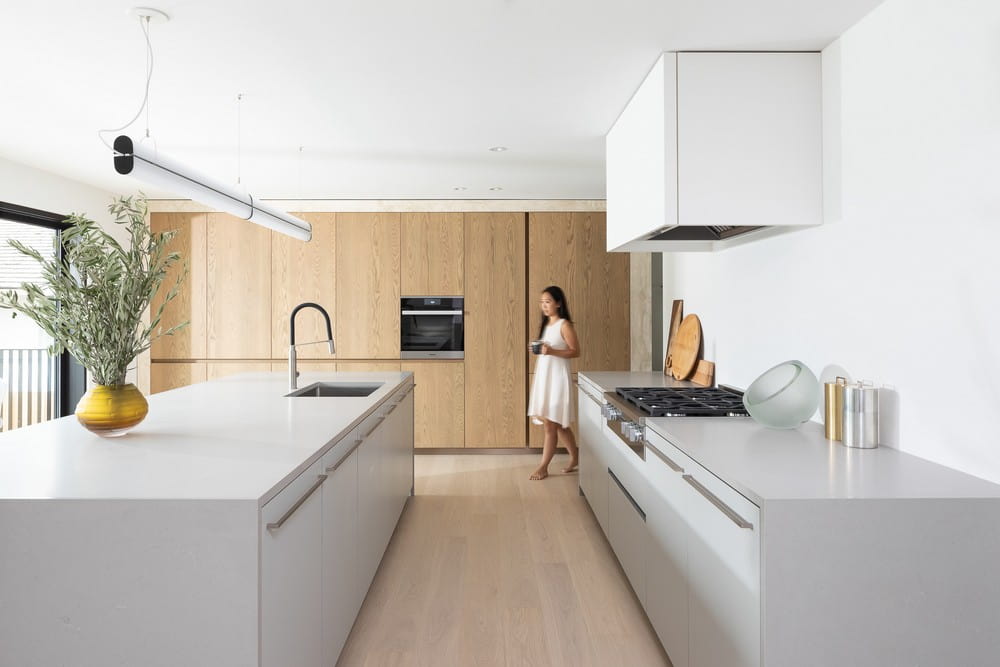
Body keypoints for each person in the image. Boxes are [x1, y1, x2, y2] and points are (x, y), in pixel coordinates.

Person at [527, 286, 580, 480]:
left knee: (550, 425)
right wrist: (538, 349)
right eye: (542, 302)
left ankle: (543, 466)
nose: (544, 306)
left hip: (557, 379)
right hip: (545, 378)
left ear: (558, 303)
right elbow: (548, 350)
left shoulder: (564, 325)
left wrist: (551, 351)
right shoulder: (547, 326)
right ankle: (575, 457)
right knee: (560, 425)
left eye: (548, 301)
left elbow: (575, 351)